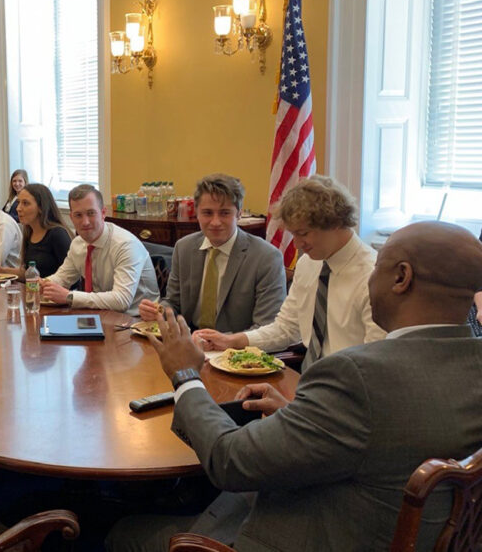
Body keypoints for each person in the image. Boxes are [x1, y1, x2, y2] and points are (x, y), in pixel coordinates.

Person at [107, 221, 482, 552]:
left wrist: (185, 375)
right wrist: (300, 415)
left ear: (401, 277)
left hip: (309, 531)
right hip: (403, 526)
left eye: (378, 267)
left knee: (121, 530)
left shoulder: (358, 375)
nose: (370, 279)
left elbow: (229, 461)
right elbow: (388, 437)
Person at [194, 175, 385, 368]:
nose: (297, 244)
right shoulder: (308, 264)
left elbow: (375, 362)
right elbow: (286, 328)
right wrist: (232, 341)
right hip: (310, 381)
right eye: (293, 234)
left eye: (303, 234)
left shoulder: (374, 277)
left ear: (334, 223)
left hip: (350, 385)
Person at [138, 174, 285, 333]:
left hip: (236, 347)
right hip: (189, 341)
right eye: (207, 213)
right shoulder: (184, 248)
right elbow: (174, 303)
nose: (215, 222)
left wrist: (223, 342)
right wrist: (158, 311)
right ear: (197, 213)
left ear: (239, 214)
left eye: (224, 213)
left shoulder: (266, 257)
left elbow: (266, 327)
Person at [41, 185, 158, 315]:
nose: (85, 222)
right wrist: (42, 284)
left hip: (136, 321)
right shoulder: (78, 244)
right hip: (101, 315)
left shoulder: (125, 245)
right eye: (78, 215)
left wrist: (70, 297)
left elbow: (122, 301)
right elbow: (62, 278)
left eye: (91, 213)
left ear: (103, 213)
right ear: (71, 218)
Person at [0, 183, 71, 279]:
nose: (18, 208)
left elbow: (72, 277)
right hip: (34, 291)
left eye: (25, 203)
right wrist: (2, 270)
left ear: (41, 207)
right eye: (19, 202)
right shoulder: (29, 232)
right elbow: (28, 273)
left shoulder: (57, 234)